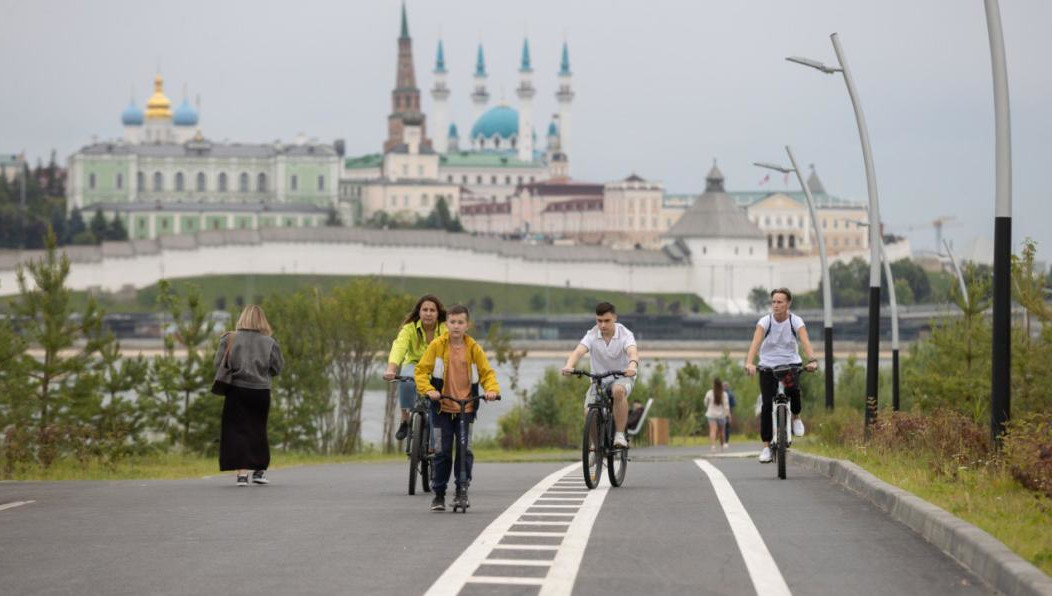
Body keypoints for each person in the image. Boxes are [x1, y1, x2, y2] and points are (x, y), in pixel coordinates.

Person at [415, 305, 499, 512]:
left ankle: (462, 490)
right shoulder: (437, 346)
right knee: (442, 453)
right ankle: (439, 494)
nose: (456, 326)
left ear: (467, 325)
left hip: (466, 409)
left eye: (460, 322)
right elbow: (420, 371)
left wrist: (491, 390)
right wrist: (428, 390)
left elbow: (486, 373)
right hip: (441, 408)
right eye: (452, 322)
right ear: (446, 324)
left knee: (464, 451)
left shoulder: (474, 348)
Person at [745, 287, 818, 464]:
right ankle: (766, 448)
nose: (776, 305)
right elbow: (755, 342)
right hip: (768, 367)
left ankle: (796, 417)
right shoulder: (765, 322)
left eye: (780, 302)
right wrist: (749, 363)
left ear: (788, 304)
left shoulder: (795, 321)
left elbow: (805, 341)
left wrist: (812, 360)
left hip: (790, 364)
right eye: (774, 302)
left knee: (793, 391)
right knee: (766, 405)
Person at [215, 305, 284, 486]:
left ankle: (242, 475)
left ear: (242, 318)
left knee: (237, 431)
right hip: (261, 391)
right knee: (258, 430)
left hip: (236, 390)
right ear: (263, 320)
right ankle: (259, 472)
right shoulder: (270, 342)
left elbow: (218, 363)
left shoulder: (229, 338)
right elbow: (277, 368)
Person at [560, 302, 639, 449]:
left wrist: (632, 365)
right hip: (599, 380)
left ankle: (620, 435)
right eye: (599, 320)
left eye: (607, 321)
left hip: (622, 376)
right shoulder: (591, 334)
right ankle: (596, 448)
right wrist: (569, 365)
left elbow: (632, 353)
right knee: (588, 411)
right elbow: (578, 351)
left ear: (614, 318)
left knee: (618, 391)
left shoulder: (625, 334)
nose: (602, 325)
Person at [383, 295, 447, 441]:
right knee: (406, 382)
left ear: (438, 313)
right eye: (425, 309)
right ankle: (405, 420)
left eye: (432, 310)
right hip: (414, 364)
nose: (428, 313)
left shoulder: (444, 329)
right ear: (419, 312)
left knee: (438, 400)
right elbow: (399, 347)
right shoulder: (409, 329)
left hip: (437, 367)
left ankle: (435, 446)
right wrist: (391, 369)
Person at [704, 378, 731, 452]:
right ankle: (722, 446)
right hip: (721, 415)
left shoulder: (709, 392)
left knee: (712, 431)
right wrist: (728, 415)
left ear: (713, 385)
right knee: (722, 432)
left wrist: (708, 407)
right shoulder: (724, 394)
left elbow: (705, 403)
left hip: (711, 414)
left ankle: (713, 447)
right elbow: (726, 406)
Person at [722, 381, 736, 447]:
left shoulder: (721, 393)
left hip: (723, 412)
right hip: (728, 412)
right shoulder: (731, 394)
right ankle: (725, 441)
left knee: (724, 426)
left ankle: (724, 441)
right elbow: (733, 404)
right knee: (726, 427)